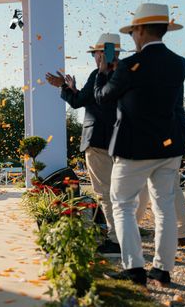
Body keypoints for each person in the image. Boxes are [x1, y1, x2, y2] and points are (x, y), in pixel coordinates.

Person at [94, 3, 185, 286]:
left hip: (133, 147)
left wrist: (103, 71)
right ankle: (162, 269)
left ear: (142, 30)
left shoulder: (128, 65)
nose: (133, 36)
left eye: (133, 31)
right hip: (169, 146)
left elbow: (103, 98)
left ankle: (134, 268)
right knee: (164, 208)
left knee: (121, 204)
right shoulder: (179, 62)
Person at [46, 33, 122, 256]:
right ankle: (122, 234)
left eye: (95, 54)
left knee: (105, 193)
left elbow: (80, 103)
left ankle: (115, 240)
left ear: (101, 53)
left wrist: (64, 87)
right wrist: (74, 89)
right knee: (119, 192)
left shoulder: (99, 74)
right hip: (120, 140)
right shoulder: (125, 74)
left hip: (98, 140)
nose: (94, 58)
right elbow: (97, 101)